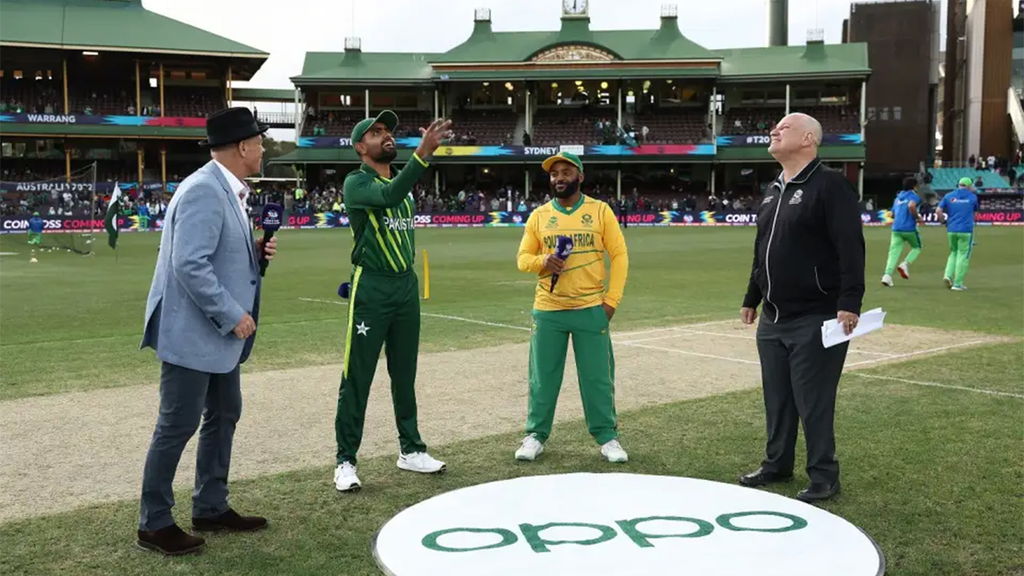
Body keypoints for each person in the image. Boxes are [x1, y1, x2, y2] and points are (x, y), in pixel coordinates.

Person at [136, 108, 278, 555]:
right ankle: (153, 523)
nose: (263, 148)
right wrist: (232, 313)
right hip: (194, 333)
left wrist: (256, 254)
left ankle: (210, 506)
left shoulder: (225, 189)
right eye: (259, 141)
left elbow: (213, 256)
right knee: (176, 425)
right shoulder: (203, 190)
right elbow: (189, 263)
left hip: (214, 338)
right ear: (242, 147)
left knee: (224, 413)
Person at [739, 113, 865, 503]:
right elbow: (763, 251)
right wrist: (751, 296)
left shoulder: (830, 186)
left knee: (814, 400)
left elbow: (851, 246)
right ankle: (777, 464)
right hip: (774, 318)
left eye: (784, 127)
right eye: (773, 126)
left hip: (818, 315)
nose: (774, 130)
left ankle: (824, 475)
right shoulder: (773, 189)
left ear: (809, 138)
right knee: (777, 398)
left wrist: (849, 302)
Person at [333, 110, 453, 492]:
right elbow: (390, 194)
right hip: (372, 289)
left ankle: (411, 449)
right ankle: (345, 461)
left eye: (388, 131)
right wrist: (423, 154)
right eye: (376, 132)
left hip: (405, 288)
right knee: (358, 377)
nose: (386, 136)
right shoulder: (357, 183)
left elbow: (398, 192)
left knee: (405, 375)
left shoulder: (401, 186)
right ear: (359, 147)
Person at [514, 152, 630, 463]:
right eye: (554, 174)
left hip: (591, 308)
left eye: (566, 172)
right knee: (543, 377)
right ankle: (535, 435)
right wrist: (543, 261)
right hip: (548, 309)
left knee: (597, 378)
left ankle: (607, 437)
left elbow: (619, 256)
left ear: (579, 176)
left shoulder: (600, 211)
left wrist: (611, 302)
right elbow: (522, 259)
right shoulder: (539, 215)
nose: (559, 178)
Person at [935, 177, 979, 291]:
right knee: (963, 255)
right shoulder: (972, 197)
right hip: (966, 230)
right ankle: (957, 284)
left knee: (953, 253)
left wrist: (942, 221)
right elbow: (975, 213)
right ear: (969, 186)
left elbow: (938, 211)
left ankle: (947, 275)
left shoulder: (948, 196)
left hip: (951, 229)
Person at [881, 177, 924, 287]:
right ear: (914, 186)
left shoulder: (898, 198)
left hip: (896, 228)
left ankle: (887, 275)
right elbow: (911, 205)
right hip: (909, 228)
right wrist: (917, 217)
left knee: (893, 253)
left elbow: (893, 213)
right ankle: (905, 264)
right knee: (917, 247)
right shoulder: (914, 196)